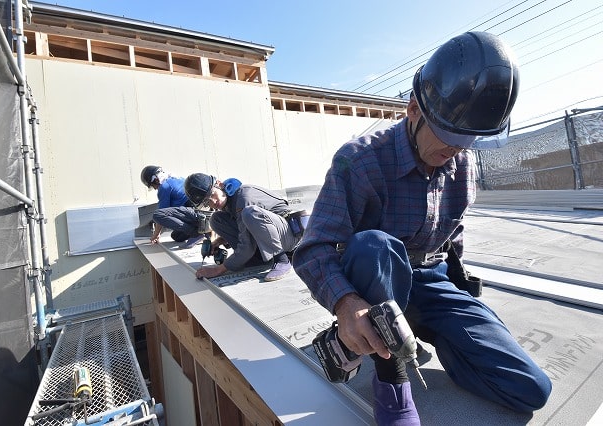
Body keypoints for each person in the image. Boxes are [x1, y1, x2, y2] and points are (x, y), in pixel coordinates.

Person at [292, 31, 552, 425]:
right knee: (376, 246)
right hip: (375, 277)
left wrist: (465, 307)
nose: (456, 150)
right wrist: (346, 304)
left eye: (468, 141)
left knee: (530, 388)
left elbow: (453, 239)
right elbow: (314, 248)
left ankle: (410, 330)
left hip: (431, 280)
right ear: (414, 109)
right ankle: (390, 377)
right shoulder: (359, 160)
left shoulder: (461, 166)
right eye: (449, 137)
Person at [184, 173, 305, 282]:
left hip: (290, 235)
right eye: (207, 202)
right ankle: (253, 259)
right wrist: (219, 241)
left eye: (212, 194)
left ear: (219, 184)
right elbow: (244, 228)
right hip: (274, 234)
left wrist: (218, 270)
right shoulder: (229, 202)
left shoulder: (243, 198)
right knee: (216, 219)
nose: (213, 201)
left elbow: (246, 244)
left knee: (249, 213)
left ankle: (281, 260)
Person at [140, 165, 204, 247]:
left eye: (153, 186)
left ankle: (196, 234)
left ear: (156, 180)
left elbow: (161, 214)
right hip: (199, 212)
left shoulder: (164, 187)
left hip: (193, 212)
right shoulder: (177, 178)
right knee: (176, 236)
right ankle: (203, 231)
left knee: (157, 215)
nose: (155, 189)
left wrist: (156, 235)